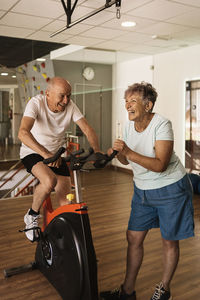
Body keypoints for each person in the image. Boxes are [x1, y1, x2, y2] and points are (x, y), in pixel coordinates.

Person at [100, 82, 194, 300]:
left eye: (133, 101)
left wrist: (128, 152)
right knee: (133, 237)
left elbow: (160, 164)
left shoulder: (162, 124)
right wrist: (117, 153)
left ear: (148, 105)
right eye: (126, 101)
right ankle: (127, 291)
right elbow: (125, 160)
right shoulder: (127, 125)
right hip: (142, 190)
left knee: (169, 240)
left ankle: (164, 289)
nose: (127, 106)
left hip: (171, 188)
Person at [18, 76, 101, 242]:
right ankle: (31, 215)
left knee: (66, 200)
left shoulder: (70, 105)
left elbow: (87, 128)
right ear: (48, 94)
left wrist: (97, 152)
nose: (66, 100)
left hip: (55, 155)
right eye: (62, 96)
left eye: (68, 96)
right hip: (32, 151)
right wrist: (46, 154)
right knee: (49, 181)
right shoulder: (36, 103)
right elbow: (22, 133)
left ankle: (71, 240)